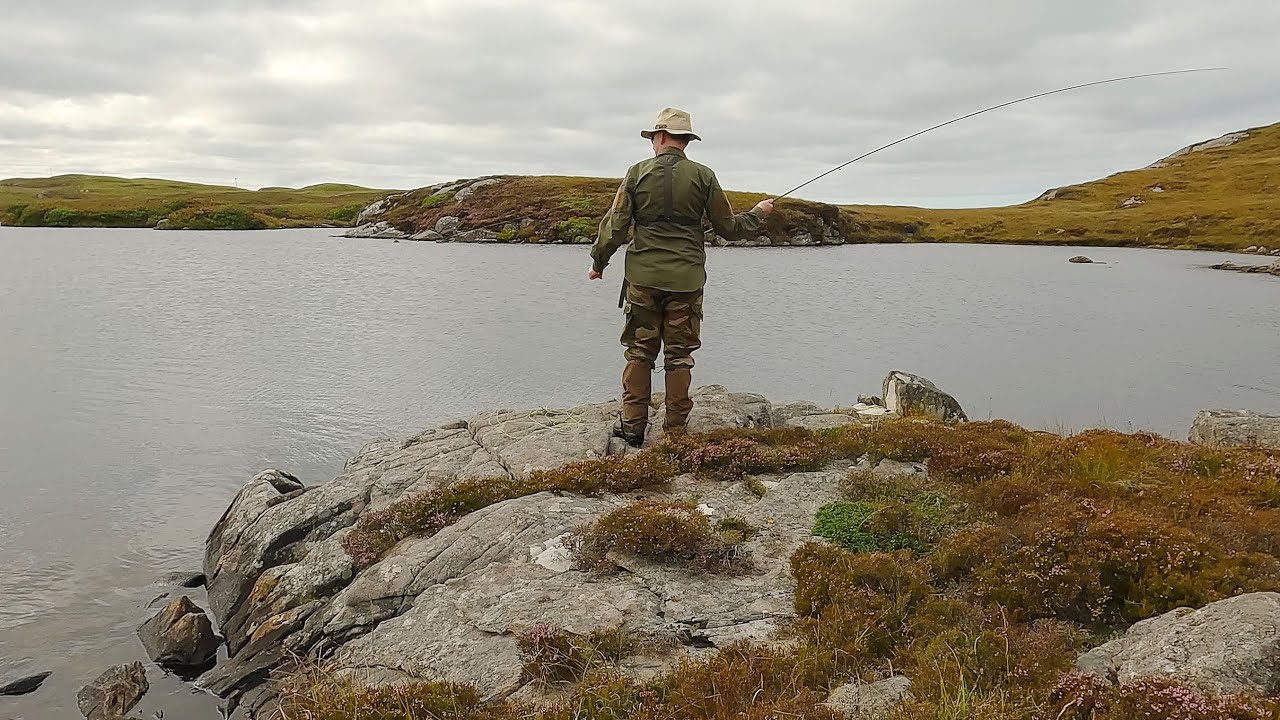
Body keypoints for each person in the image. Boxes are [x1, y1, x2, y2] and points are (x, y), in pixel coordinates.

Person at [589, 107, 774, 447]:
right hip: (687, 281)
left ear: (658, 138)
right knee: (678, 356)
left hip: (642, 279)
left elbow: (615, 225)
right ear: (686, 140)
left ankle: (633, 427)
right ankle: (675, 432)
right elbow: (728, 228)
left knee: (640, 352)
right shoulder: (704, 176)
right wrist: (758, 213)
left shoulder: (636, 173)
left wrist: (598, 262)